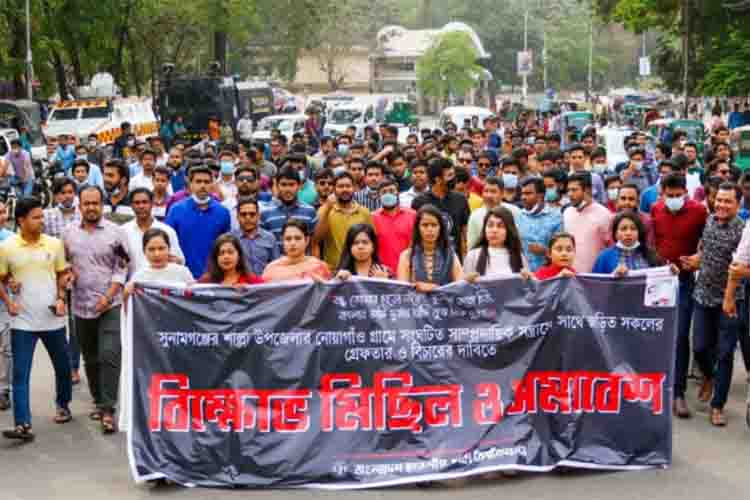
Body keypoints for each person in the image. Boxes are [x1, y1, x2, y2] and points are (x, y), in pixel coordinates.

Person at [0, 198, 71, 441]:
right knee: (20, 374)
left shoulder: (54, 244)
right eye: (36, 217)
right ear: (21, 220)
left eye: (42, 216)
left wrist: (62, 298)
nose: (41, 221)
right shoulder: (7, 247)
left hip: (53, 320)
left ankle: (63, 404)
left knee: (63, 369)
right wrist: (9, 301)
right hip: (23, 322)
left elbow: (63, 275)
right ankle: (23, 424)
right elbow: (1, 277)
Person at [63, 186, 130, 434]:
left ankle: (108, 409)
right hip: (81, 306)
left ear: (102, 205)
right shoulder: (68, 233)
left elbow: (122, 268)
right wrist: (67, 276)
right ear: (79, 205)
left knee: (110, 354)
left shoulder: (116, 233)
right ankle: (99, 400)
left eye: (95, 203)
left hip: (110, 304)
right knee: (90, 358)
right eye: (86, 203)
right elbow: (64, 265)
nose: (91, 207)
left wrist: (109, 295)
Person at [119, 228, 193, 432]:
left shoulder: (181, 272)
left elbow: (195, 300)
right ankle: (155, 418)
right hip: (152, 339)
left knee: (179, 377)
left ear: (169, 249)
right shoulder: (140, 277)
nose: (157, 253)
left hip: (179, 336)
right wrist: (126, 294)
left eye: (161, 248)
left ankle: (181, 417)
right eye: (152, 249)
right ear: (144, 251)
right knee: (156, 378)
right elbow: (129, 313)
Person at [684, 183, 745, 426]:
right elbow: (705, 253)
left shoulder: (743, 231)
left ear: (738, 205)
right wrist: (695, 261)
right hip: (702, 296)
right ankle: (709, 377)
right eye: (719, 200)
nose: (721, 205)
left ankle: (718, 405)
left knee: (726, 353)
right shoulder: (709, 221)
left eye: (728, 201)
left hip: (731, 301)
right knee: (699, 347)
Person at [651, 173, 708, 418]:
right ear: (662, 194)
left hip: (685, 281)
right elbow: (652, 243)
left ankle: (678, 394)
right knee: (657, 333)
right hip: (659, 279)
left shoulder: (699, 212)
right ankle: (657, 388)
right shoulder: (655, 210)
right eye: (669, 196)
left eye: (678, 195)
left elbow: (707, 242)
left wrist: (698, 259)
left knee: (681, 334)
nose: (674, 200)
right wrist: (661, 262)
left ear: (686, 192)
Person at [166, 166, 231, 278]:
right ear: (190, 184)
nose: (202, 185)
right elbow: (167, 242)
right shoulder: (176, 210)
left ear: (212, 185)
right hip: (182, 277)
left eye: (206, 182)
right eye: (198, 181)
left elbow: (226, 245)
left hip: (214, 277)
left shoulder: (223, 212)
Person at [313, 171, 373, 270]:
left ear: (354, 188)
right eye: (340, 186)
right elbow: (316, 240)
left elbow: (372, 243)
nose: (345, 189)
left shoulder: (364, 212)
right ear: (334, 189)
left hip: (358, 270)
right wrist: (327, 209)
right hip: (333, 270)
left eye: (348, 186)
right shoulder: (324, 210)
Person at [397, 205, 464, 292]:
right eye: (425, 225)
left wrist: (433, 288)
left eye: (434, 225)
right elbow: (401, 291)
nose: (430, 229)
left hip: (445, 305)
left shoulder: (450, 255)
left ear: (440, 228)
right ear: (418, 228)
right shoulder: (406, 256)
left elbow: (460, 288)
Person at [412, 158, 470, 259]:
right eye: (450, 175)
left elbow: (465, 233)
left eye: (454, 174)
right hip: (427, 259)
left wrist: (465, 256)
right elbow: (415, 234)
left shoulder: (461, 199)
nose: (454, 179)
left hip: (454, 259)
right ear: (438, 180)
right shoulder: (419, 202)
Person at [123, 188, 184, 274]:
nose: (141, 206)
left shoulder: (167, 231)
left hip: (161, 284)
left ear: (152, 204)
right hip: (133, 285)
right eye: (137, 203)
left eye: (145, 202)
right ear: (131, 205)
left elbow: (179, 261)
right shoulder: (123, 231)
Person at [563, 172, 613, 272]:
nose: (570, 194)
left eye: (574, 190)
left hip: (596, 277)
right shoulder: (566, 213)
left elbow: (611, 248)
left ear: (587, 190)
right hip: (571, 276)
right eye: (568, 190)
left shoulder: (605, 214)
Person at [260, 166, 318, 250]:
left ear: (299, 186)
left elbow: (313, 244)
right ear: (277, 186)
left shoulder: (310, 211)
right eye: (283, 185)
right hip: (276, 262)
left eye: (291, 184)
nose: (287, 189)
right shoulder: (265, 212)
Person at [464, 207, 527, 277]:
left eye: (500, 226)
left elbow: (528, 285)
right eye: (490, 225)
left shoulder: (518, 256)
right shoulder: (473, 256)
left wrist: (527, 278)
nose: (494, 230)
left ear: (508, 230)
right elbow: (463, 285)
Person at [516, 177, 562, 272]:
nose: (523, 197)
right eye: (522, 193)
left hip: (549, 275)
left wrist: (545, 252)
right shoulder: (520, 216)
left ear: (540, 195)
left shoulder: (556, 217)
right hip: (525, 275)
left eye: (528, 193)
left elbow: (562, 250)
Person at [592, 212, 662, 275]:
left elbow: (660, 279)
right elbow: (596, 283)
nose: (628, 233)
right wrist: (613, 276)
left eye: (633, 229)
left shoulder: (650, 254)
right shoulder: (605, 257)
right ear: (616, 233)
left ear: (639, 233)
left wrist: (670, 272)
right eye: (623, 229)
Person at [262, 219, 331, 282]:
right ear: (282, 240)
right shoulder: (271, 269)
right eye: (288, 239)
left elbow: (328, 292)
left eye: (297, 238)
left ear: (306, 240)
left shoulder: (319, 266)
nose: (293, 243)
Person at [372, 178, 417, 274]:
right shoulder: (372, 218)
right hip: (382, 274)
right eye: (384, 192)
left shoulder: (413, 215)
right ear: (378, 195)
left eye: (391, 191)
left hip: (408, 271)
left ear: (398, 193)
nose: (388, 194)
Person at [231, 197, 279, 276]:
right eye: (243, 214)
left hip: (265, 285)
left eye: (252, 214)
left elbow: (276, 266)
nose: (248, 218)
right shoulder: (230, 239)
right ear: (237, 216)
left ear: (258, 216)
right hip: (240, 286)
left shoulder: (270, 238)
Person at [198, 234, 264, 285]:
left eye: (230, 252)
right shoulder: (206, 282)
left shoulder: (252, 281)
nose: (226, 257)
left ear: (239, 256)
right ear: (216, 258)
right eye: (221, 253)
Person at [0, 201, 14, 411]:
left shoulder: (12, 240)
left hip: (6, 302)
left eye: (2, 211)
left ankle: (3, 390)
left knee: (5, 349)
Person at [102, 159, 135, 224]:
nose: (105, 179)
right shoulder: (100, 201)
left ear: (123, 180)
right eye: (105, 175)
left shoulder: (136, 202)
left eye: (110, 175)